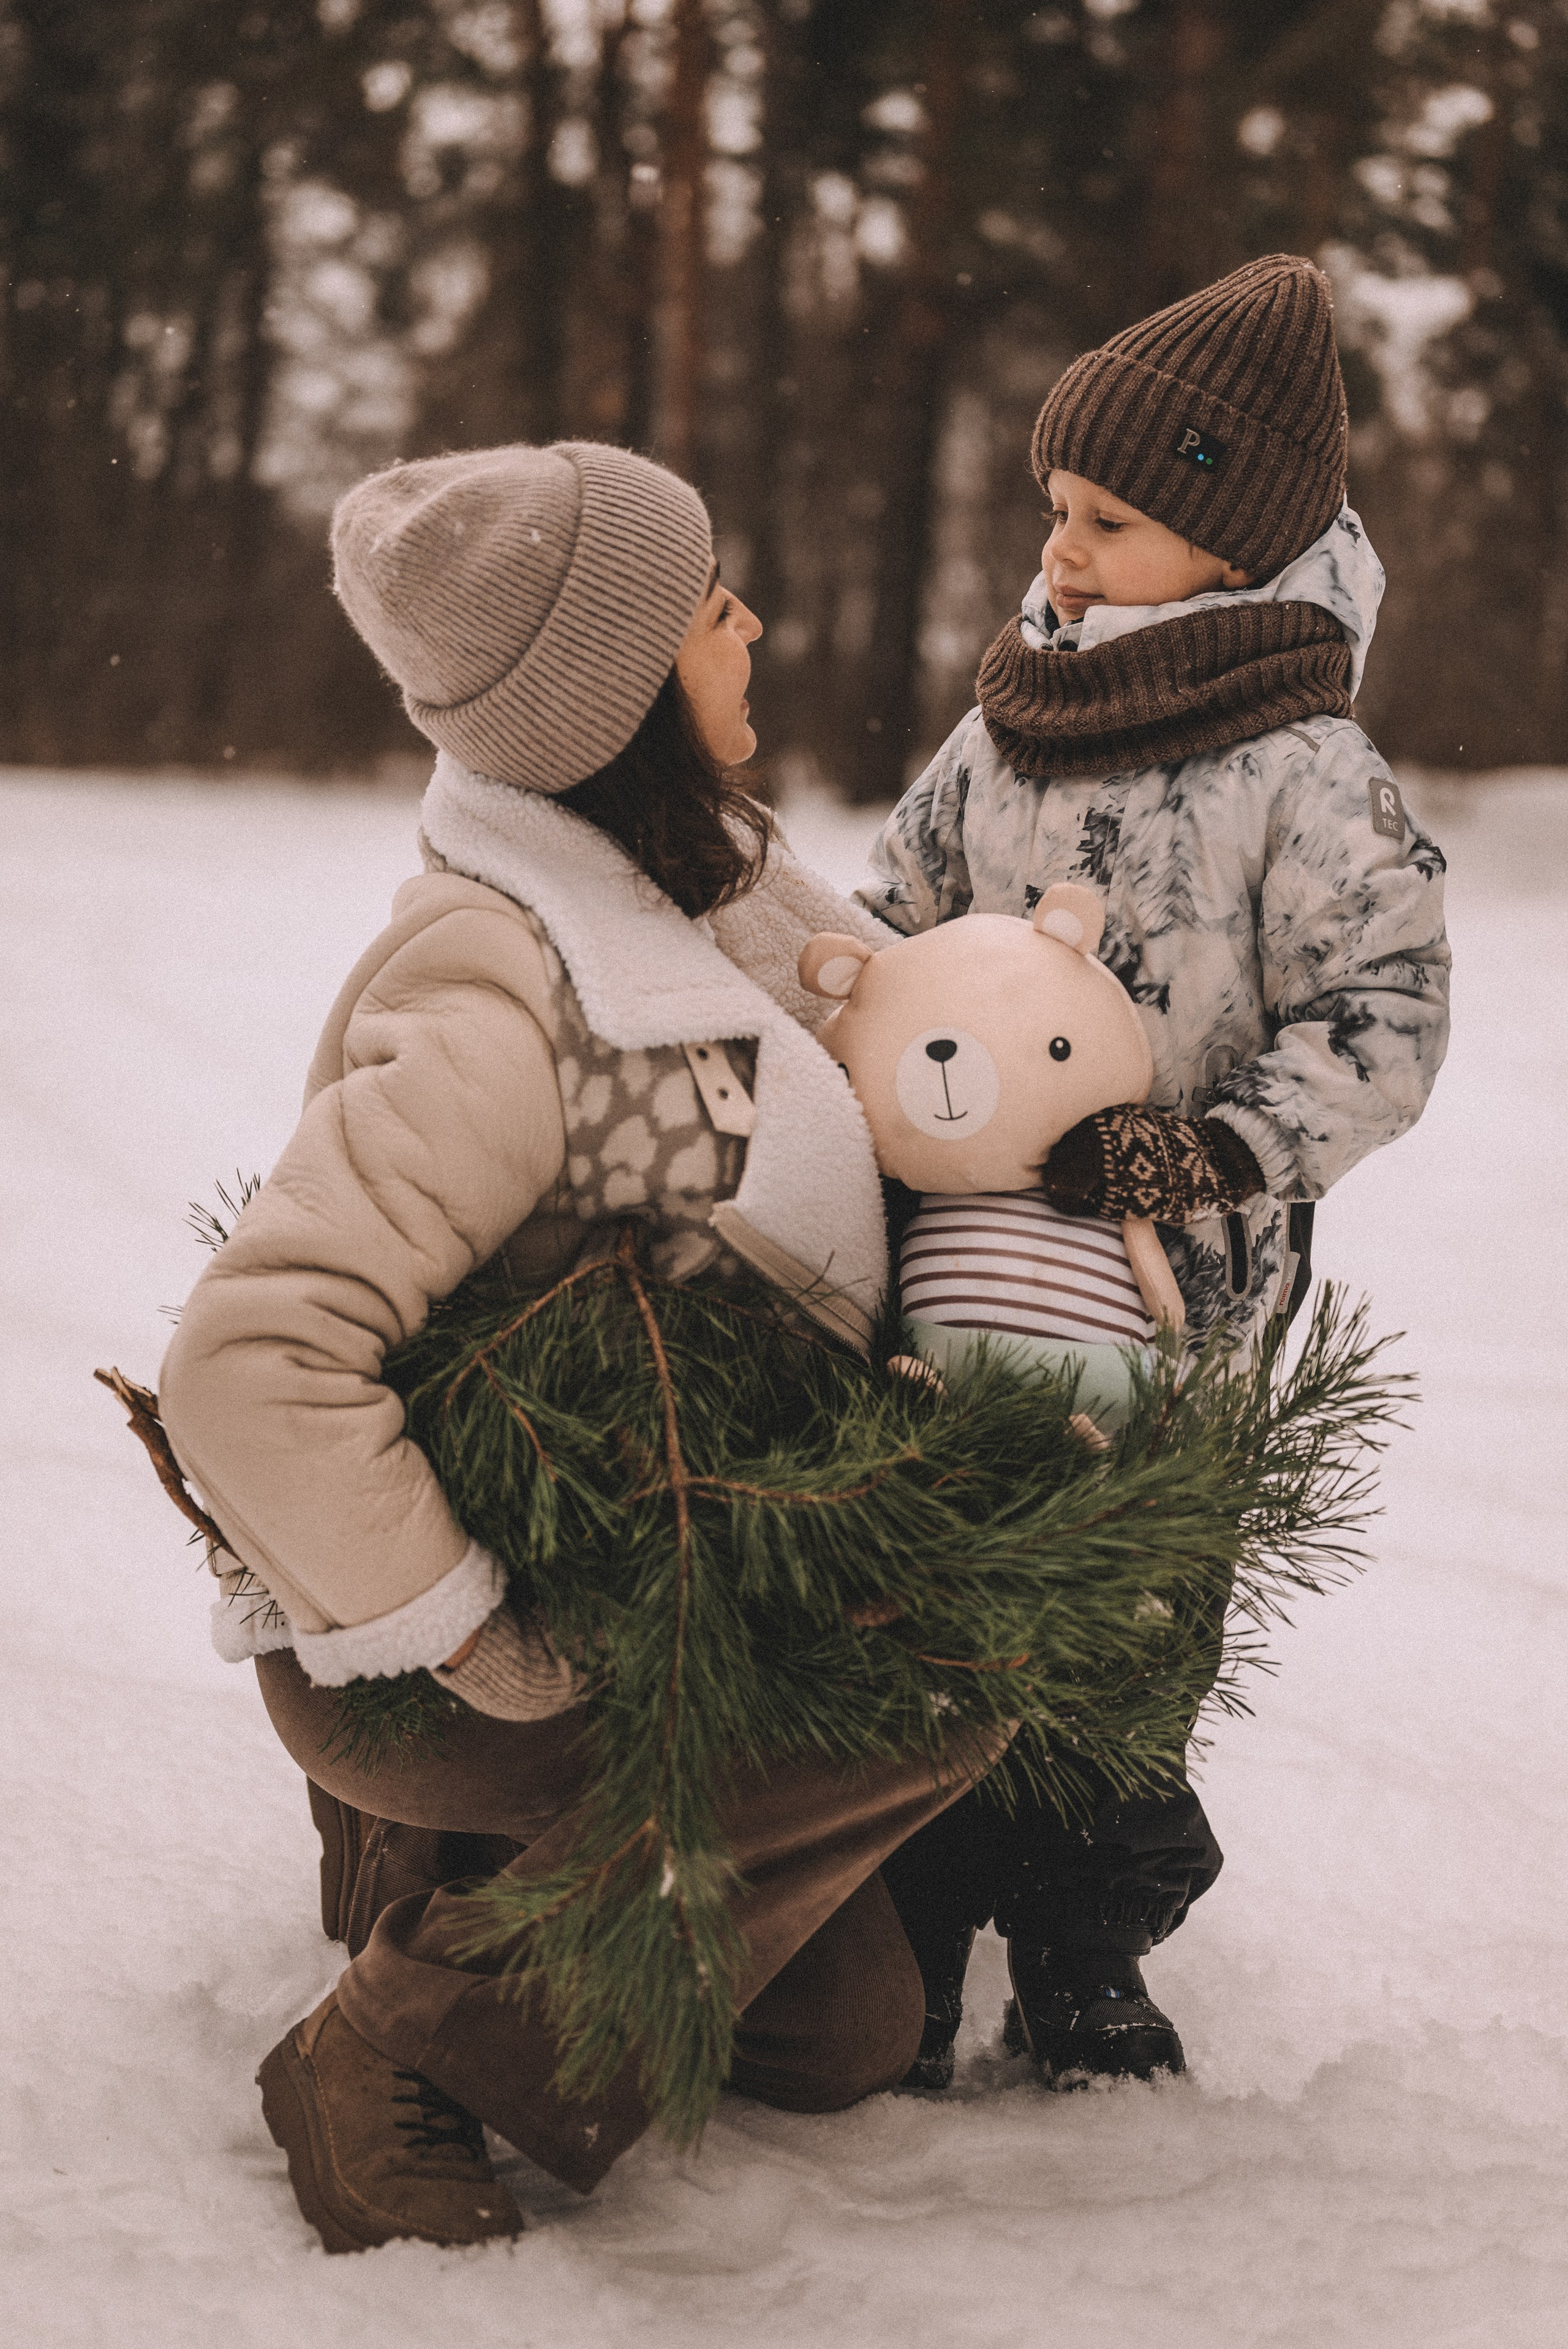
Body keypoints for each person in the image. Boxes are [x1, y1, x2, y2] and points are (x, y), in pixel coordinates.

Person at [157, 439, 1001, 2253]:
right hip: (459, 1637)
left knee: (844, 2032)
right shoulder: (508, 985)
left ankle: (437, 1874)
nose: (753, 624)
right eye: (713, 609)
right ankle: (387, 2046)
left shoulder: (713, 894)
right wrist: (469, 1631)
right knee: (943, 1674)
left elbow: (926, 1063)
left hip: (643, 1573)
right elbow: (247, 1359)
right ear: (620, 691)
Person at [859, 255, 1452, 2092]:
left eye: (1111, 520)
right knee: (928, 1585)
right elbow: (890, 925)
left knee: (1125, 1616)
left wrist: (1213, 1149)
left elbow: (1386, 1012)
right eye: (1056, 513)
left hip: (1176, 1304)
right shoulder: (998, 732)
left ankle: (1079, 1935)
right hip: (958, 1277)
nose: (1066, 552)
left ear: (1231, 542)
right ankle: (901, 1922)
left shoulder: (1309, 771)